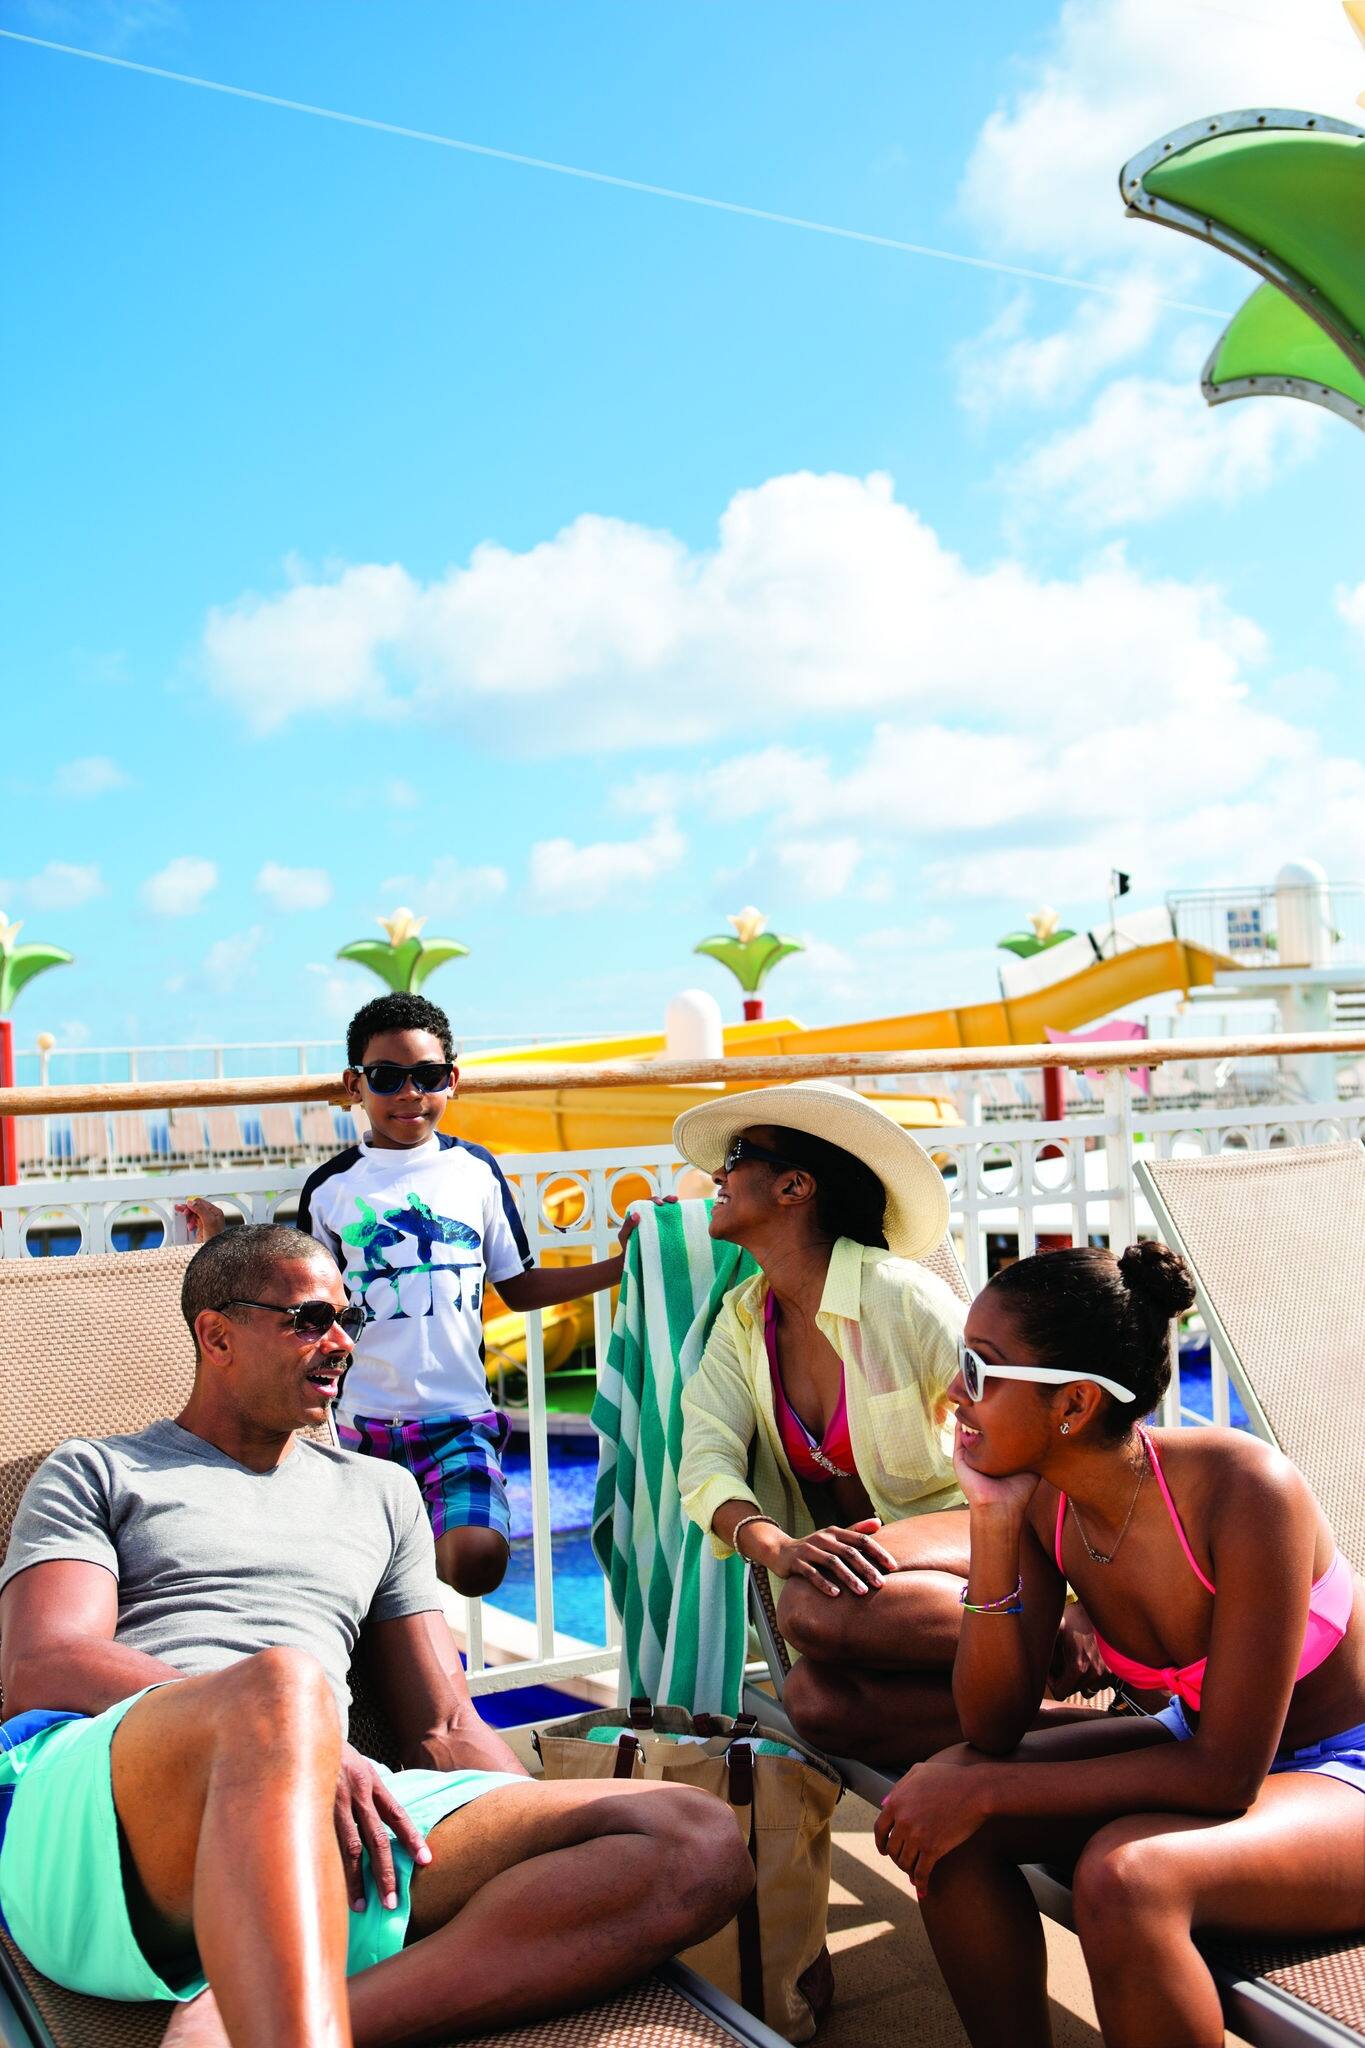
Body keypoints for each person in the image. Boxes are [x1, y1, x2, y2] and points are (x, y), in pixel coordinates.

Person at [0, 1224, 752, 2048]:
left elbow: (443, 1725)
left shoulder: (382, 1492)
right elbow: (45, 1663)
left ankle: (247, 2027)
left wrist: (545, 1836)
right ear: (216, 1335)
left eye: (347, 1319)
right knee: (285, 1684)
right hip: (115, 1827)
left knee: (693, 1838)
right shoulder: (99, 1469)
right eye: (306, 1320)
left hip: (325, 1819)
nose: (339, 1343)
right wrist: (296, 1737)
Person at [875, 1242, 1365, 2048]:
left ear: (1071, 1407)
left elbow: (1223, 1776)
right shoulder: (1043, 1503)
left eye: (980, 1368)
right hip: (1202, 1745)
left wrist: (991, 1793)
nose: (956, 1391)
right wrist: (994, 1523)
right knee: (942, 1811)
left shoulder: (1246, 1490)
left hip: (1340, 1771)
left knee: (1125, 1877)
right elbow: (991, 1727)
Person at [675, 1083, 1104, 1766]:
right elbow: (705, 1456)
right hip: (889, 1589)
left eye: (735, 1157)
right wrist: (775, 1545)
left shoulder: (900, 1296)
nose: (718, 1177)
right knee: (816, 1703)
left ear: (794, 1187)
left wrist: (1080, 1595)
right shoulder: (741, 1318)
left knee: (811, 1613)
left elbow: (1035, 1432)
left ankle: (1056, 1630)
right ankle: (1096, 1740)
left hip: (983, 1534)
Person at [200, 991, 638, 1600]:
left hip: (458, 1420)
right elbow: (302, 1299)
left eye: (427, 1076)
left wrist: (622, 1265)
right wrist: (222, 1240)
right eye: (386, 1077)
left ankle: (409, 1589)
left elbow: (520, 1286)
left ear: (451, 1080)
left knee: (476, 1559)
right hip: (358, 1428)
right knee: (357, 1581)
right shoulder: (330, 1189)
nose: (409, 1094)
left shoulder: (476, 1173)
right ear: (356, 1085)